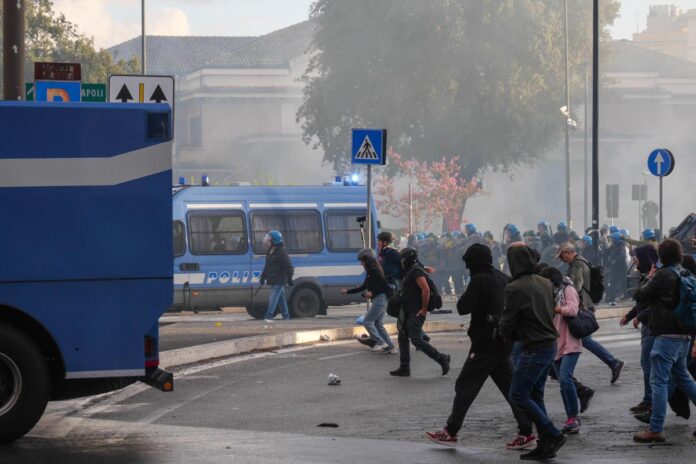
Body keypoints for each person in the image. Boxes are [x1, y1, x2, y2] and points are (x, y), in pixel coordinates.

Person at [425, 244, 536, 450]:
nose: (467, 267)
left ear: (474, 261)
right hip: (503, 340)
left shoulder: (479, 279)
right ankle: (527, 430)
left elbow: (463, 307)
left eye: (468, 262)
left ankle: (451, 431)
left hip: (485, 342)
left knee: (465, 385)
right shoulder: (502, 277)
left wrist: (469, 292)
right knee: (511, 388)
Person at [500, 244, 567, 460]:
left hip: (533, 346)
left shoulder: (514, 287)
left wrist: (501, 331)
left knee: (518, 394)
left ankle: (551, 434)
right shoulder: (545, 282)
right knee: (535, 395)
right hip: (548, 344)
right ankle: (545, 442)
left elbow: (508, 320)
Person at [633, 239, 696, 443]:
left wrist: (648, 276)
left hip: (666, 335)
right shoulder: (686, 273)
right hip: (684, 335)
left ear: (661, 256)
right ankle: (656, 426)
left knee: (658, 381)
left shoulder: (663, 275)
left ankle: (656, 428)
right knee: (684, 379)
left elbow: (640, 295)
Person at [557, 242, 625, 384]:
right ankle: (560, 370)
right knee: (579, 339)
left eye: (562, 256)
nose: (562, 260)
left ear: (568, 253)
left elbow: (574, 286)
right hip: (585, 305)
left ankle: (613, 362)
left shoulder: (577, 265)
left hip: (583, 306)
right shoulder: (580, 261)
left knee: (583, 338)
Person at [389, 247, 450, 377]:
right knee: (403, 337)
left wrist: (423, 310)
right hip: (407, 310)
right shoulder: (411, 270)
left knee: (416, 339)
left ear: (407, 259)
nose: (401, 262)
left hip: (415, 312)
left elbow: (426, 290)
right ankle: (404, 367)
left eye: (402, 259)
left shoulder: (416, 271)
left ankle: (442, 358)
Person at [539, 267, 583, 434]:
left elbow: (573, 310)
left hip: (570, 340)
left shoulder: (568, 289)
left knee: (565, 379)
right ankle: (570, 417)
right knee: (563, 382)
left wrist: (557, 309)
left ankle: (573, 417)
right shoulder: (549, 293)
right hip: (555, 342)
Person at [342, 249, 395, 353]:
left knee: (367, 321)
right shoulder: (371, 271)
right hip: (379, 299)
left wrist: (373, 293)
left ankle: (380, 342)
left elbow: (385, 285)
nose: (361, 264)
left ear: (367, 260)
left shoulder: (373, 270)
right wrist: (348, 291)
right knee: (378, 324)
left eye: (362, 261)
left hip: (380, 299)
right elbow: (363, 287)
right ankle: (390, 346)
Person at [259, 230, 294, 322]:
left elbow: (289, 266)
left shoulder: (281, 251)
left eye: (269, 240)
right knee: (280, 299)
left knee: (273, 297)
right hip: (273, 278)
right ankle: (286, 316)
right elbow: (267, 266)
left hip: (280, 279)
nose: (267, 241)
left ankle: (268, 316)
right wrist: (262, 277)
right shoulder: (270, 251)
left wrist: (290, 278)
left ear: (274, 241)